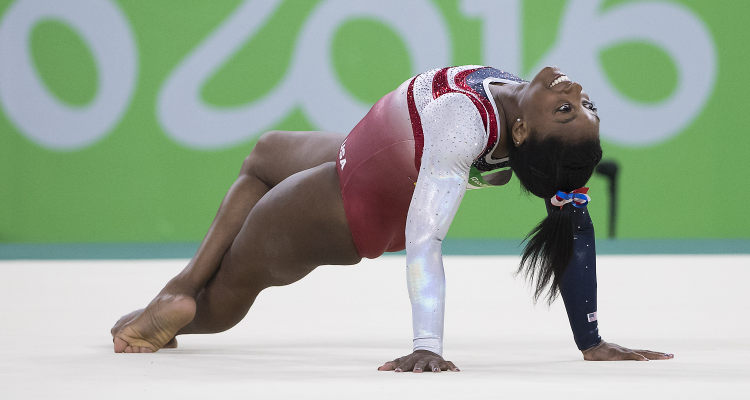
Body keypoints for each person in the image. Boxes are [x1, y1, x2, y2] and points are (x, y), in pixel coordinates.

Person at [111, 65, 673, 371]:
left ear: (523, 133)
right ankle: (179, 286)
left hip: (350, 200)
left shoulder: (464, 122)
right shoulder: (514, 102)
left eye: (567, 109)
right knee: (264, 153)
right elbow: (569, 204)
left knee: (232, 288)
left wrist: (427, 345)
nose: (575, 91)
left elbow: (426, 238)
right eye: (584, 105)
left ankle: (170, 311)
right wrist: (590, 339)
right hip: (358, 153)